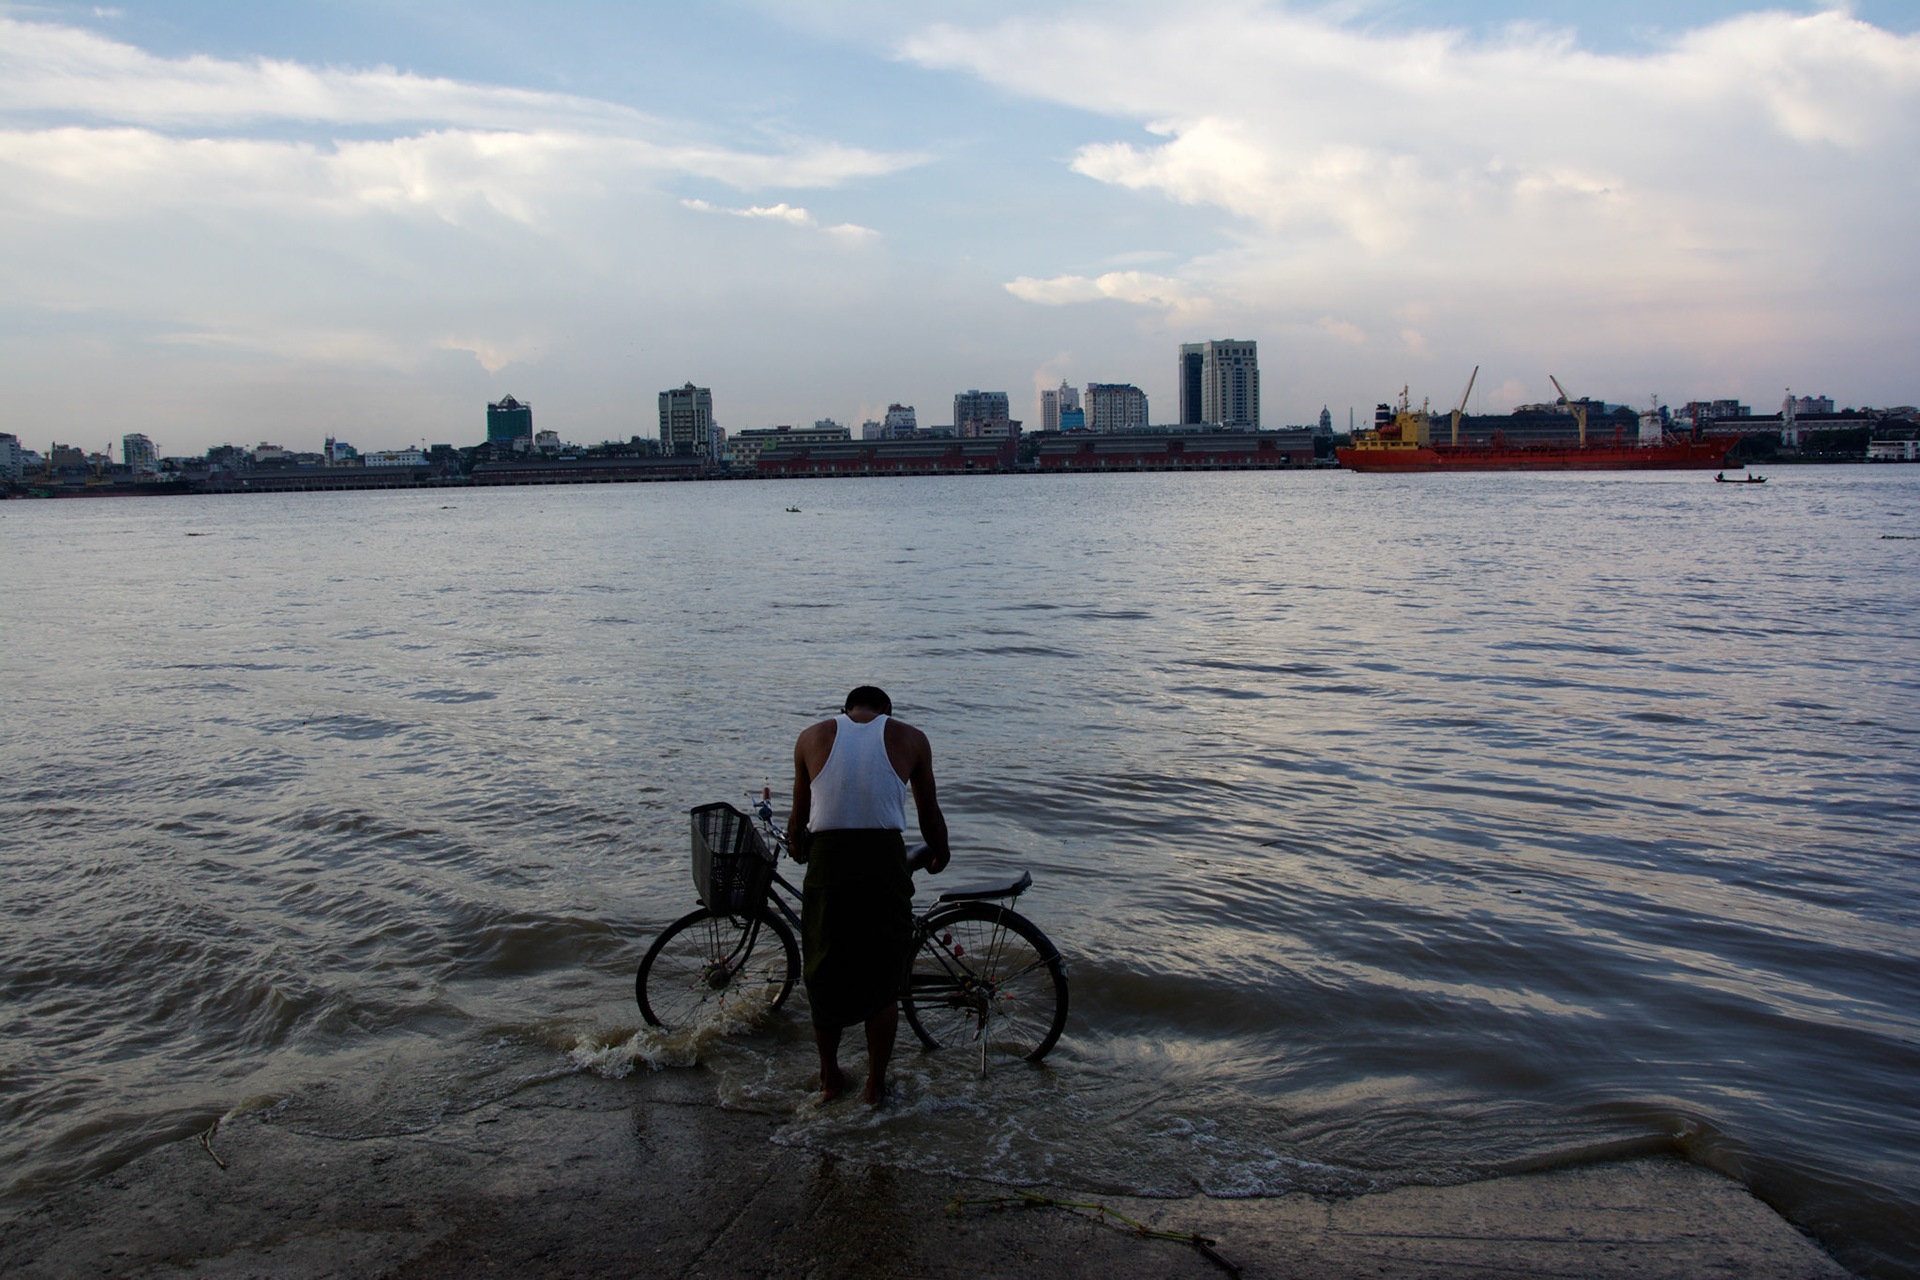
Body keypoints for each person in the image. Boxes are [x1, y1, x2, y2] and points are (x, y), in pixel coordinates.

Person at [788, 685, 949, 1105]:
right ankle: (875, 1088)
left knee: (823, 969)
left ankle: (830, 1080)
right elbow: (929, 814)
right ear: (886, 711)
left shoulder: (810, 737)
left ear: (844, 710)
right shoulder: (911, 737)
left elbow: (798, 821)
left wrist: (797, 847)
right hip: (883, 860)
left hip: (829, 860)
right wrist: (941, 853)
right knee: (882, 977)